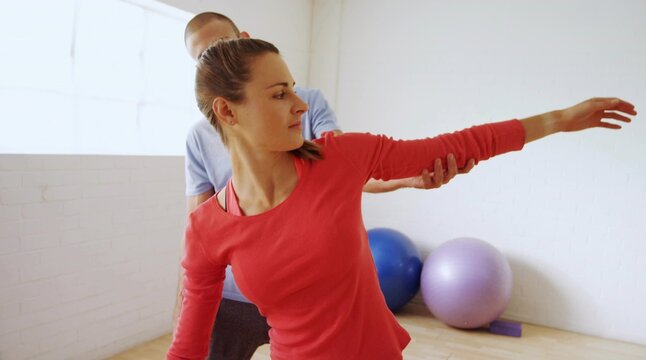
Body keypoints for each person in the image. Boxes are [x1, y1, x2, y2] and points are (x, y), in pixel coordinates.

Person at [167, 38, 636, 360]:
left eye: (294, 88)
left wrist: (558, 119)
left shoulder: (339, 159)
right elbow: (188, 346)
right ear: (228, 111)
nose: (300, 104)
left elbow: (455, 144)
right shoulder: (208, 227)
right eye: (279, 93)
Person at [178, 12, 476, 360]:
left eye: (221, 44)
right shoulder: (198, 138)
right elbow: (199, 229)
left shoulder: (304, 106)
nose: (213, 58)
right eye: (201, 56)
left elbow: (341, 172)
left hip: (308, 286)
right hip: (238, 292)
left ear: (242, 36)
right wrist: (187, 299)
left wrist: (403, 178)